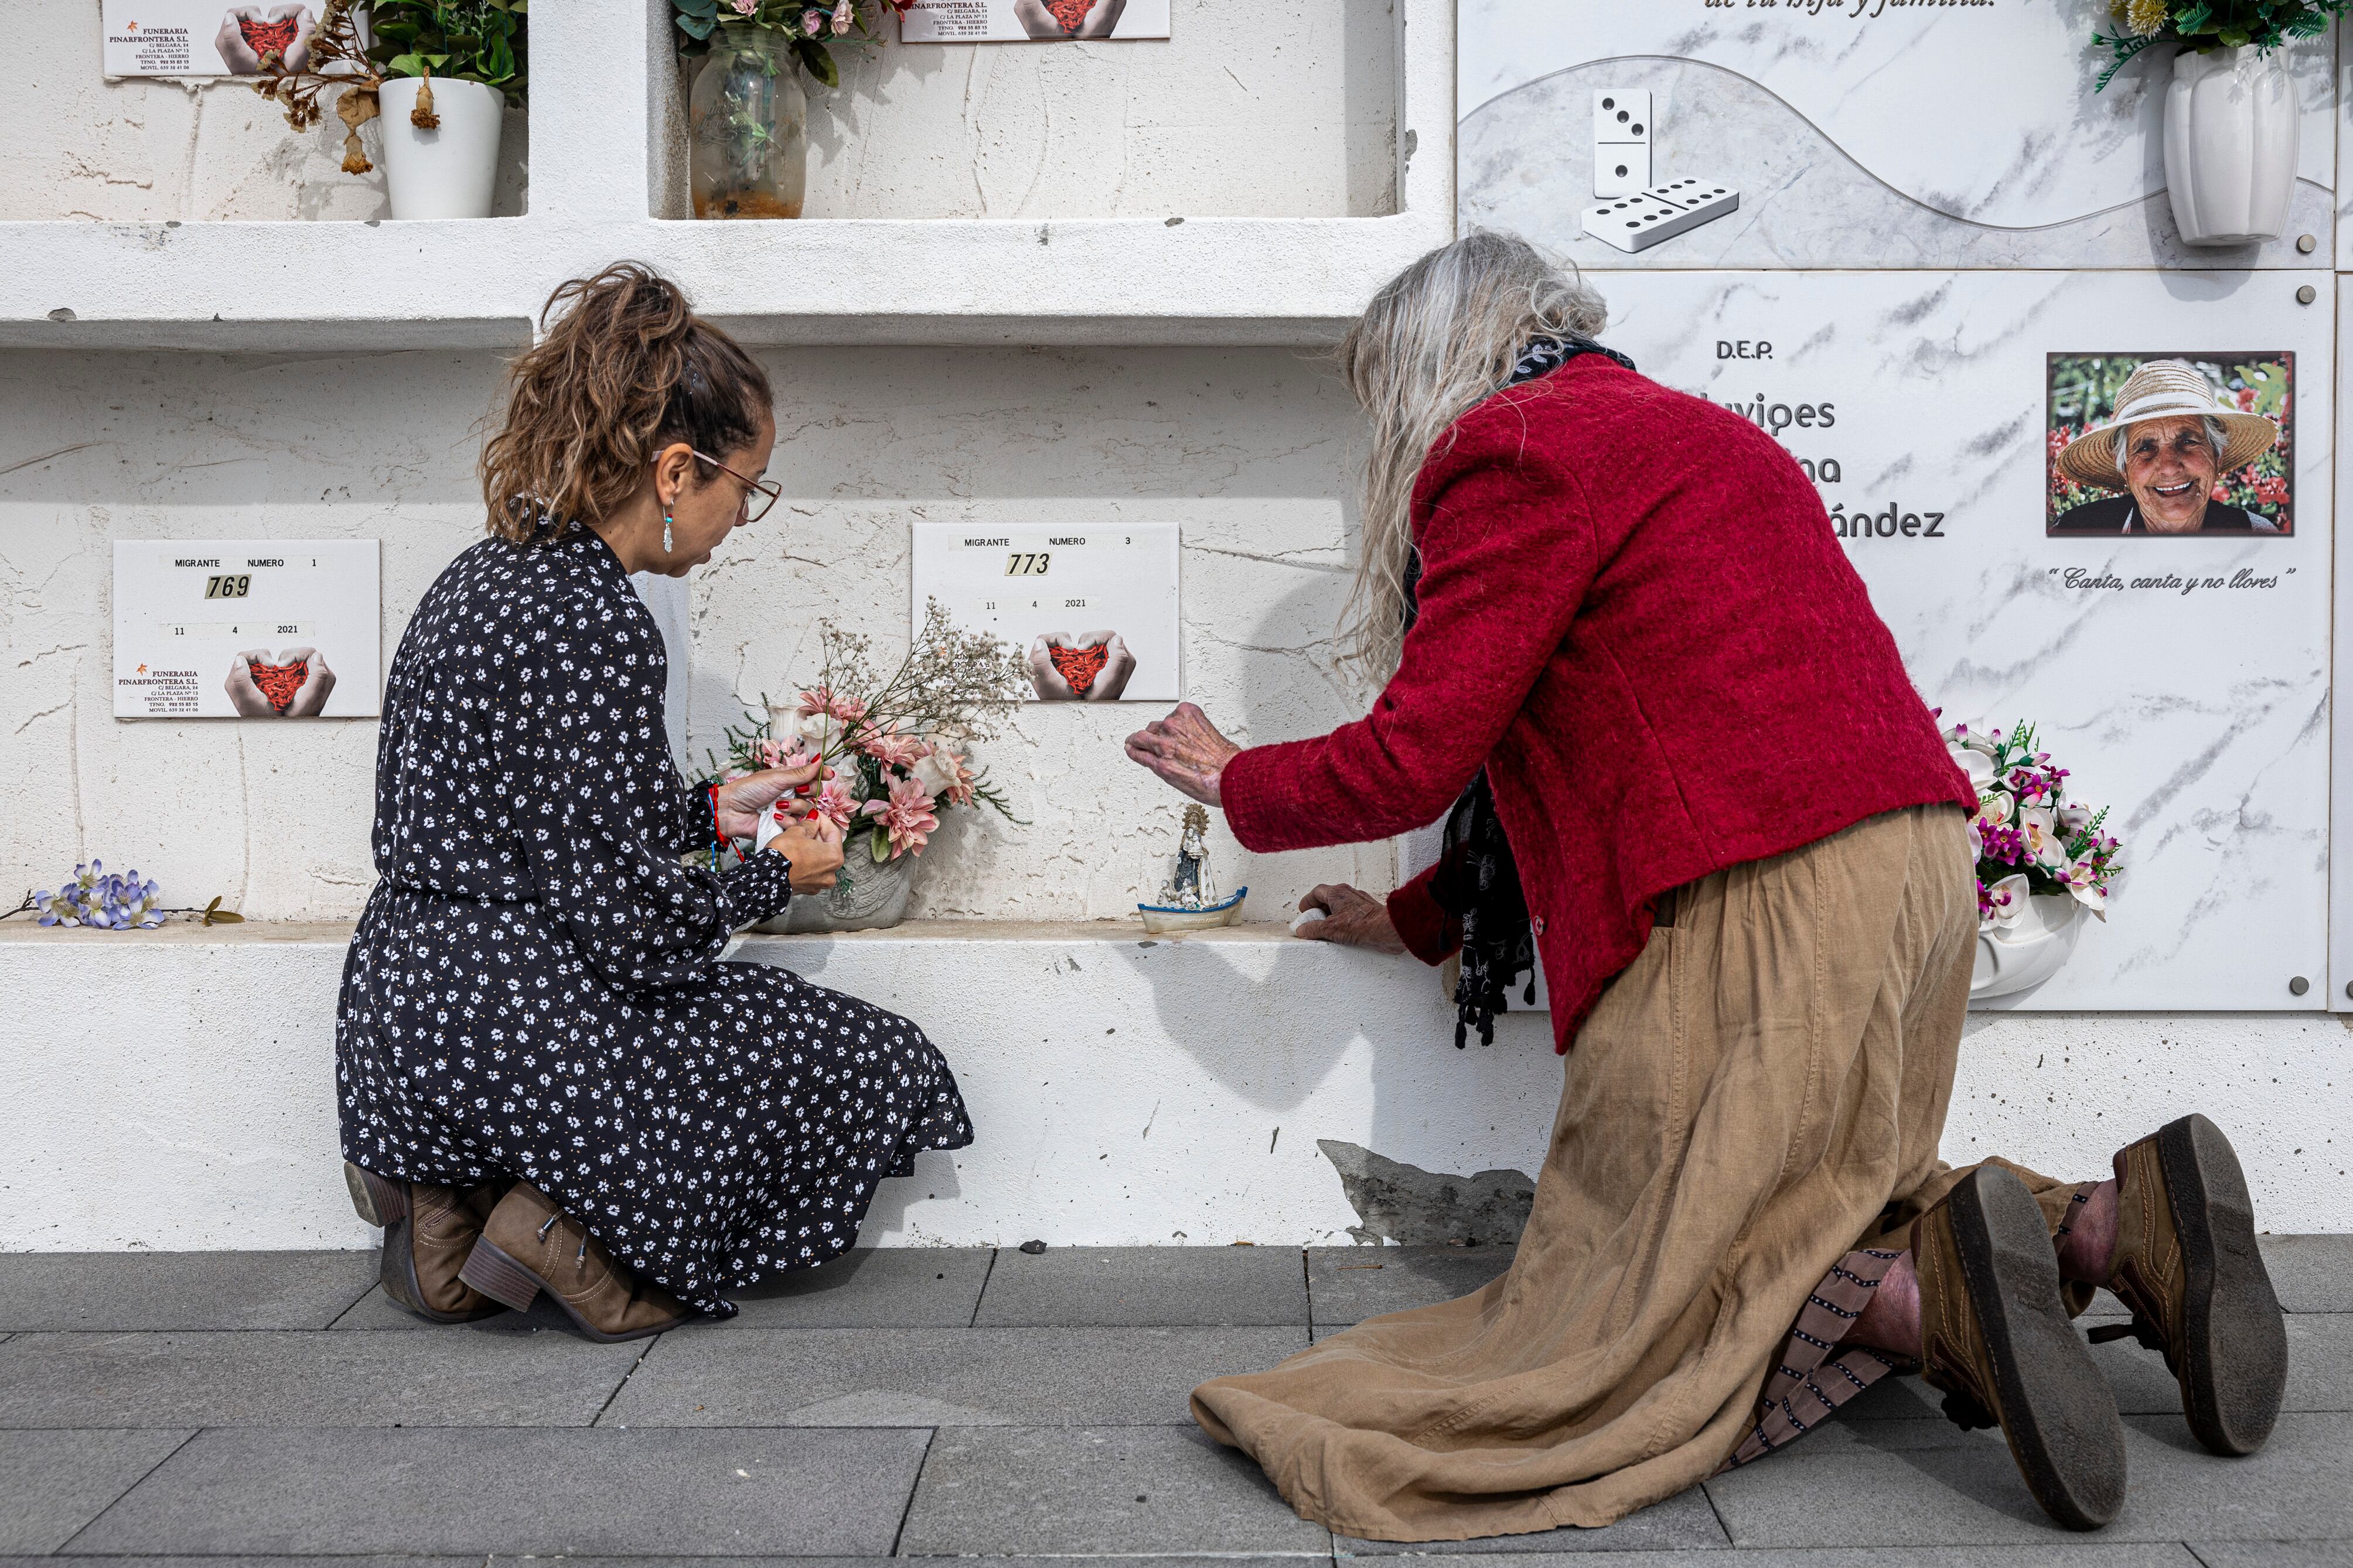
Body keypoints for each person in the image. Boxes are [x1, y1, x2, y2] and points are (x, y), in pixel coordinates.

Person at [1125, 233, 2287, 1540]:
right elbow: (1572, 751)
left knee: (1645, 1272)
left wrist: (1237, 781)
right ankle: (2111, 1230)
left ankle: (1920, 1307)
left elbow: (1422, 751)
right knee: (1839, 1174)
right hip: (1905, 866)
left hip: (1753, 894)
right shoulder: (1701, 437)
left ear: (1424, 368)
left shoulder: (1509, 452)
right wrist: (1410, 921)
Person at [336, 263, 974, 1342]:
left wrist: (716, 808)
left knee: (698, 1024)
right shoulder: (598, 622)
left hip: (398, 1012)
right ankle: (566, 1231)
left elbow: (523, 821)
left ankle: (446, 1217)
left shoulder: (482, 577)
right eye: (747, 483)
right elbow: (628, 930)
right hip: (511, 1024)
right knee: (865, 1054)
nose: (745, 516)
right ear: (677, 470)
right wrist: (783, 871)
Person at [2050, 359, 2282, 535]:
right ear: (2124, 469)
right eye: (2145, 448)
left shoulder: (2254, 536)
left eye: (2188, 442)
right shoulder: (2079, 532)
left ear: (2217, 456)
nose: (2170, 468)